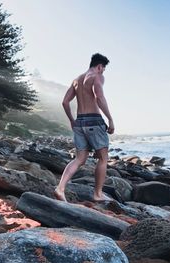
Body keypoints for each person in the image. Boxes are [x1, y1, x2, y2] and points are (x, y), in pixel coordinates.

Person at [54, 53, 114, 202]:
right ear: (100, 66)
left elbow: (65, 102)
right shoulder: (96, 76)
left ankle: (60, 188)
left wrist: (72, 121)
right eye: (103, 69)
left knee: (79, 159)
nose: (102, 72)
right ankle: (98, 194)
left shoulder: (77, 80)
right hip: (94, 121)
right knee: (103, 158)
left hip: (80, 122)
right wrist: (110, 119)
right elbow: (99, 97)